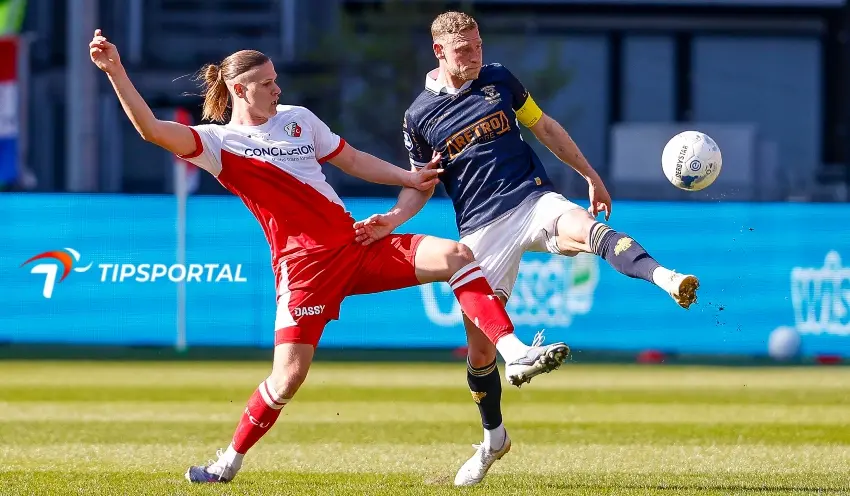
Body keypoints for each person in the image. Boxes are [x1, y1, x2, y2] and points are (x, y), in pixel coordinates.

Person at [89, 29, 571, 484]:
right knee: (288, 378)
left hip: (355, 244)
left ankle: (514, 352)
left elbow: (353, 160)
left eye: (277, 79)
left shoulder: (299, 119)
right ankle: (227, 462)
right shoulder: (217, 143)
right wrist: (114, 71)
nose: (277, 89)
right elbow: (152, 130)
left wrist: (409, 178)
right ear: (239, 89)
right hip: (304, 271)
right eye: (266, 83)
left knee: (457, 254)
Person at [352, 11, 701, 487]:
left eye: (478, 45)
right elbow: (421, 183)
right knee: (479, 357)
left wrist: (590, 175)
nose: (475, 56)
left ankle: (666, 277)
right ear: (439, 53)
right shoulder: (419, 116)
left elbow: (546, 127)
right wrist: (391, 219)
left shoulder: (499, 81)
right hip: (479, 230)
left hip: (532, 198)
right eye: (463, 51)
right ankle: (494, 438)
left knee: (587, 227)